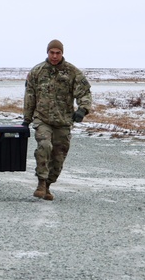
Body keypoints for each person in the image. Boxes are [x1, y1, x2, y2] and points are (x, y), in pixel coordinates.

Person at [22, 39, 92, 201]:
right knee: (44, 146)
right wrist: (27, 119)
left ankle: (48, 184)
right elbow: (30, 96)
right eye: (52, 52)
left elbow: (84, 92)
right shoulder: (37, 72)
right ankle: (40, 182)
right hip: (42, 119)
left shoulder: (72, 72)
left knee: (59, 157)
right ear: (47, 53)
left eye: (58, 53)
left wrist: (82, 109)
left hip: (63, 121)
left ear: (62, 53)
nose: (54, 56)